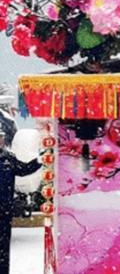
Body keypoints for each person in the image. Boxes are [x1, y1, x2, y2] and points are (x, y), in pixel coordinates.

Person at [0, 108, 40, 274]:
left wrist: (39, 160)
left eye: (2, 137)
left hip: (4, 211)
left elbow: (24, 169)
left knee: (3, 248)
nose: (1, 140)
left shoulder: (8, 158)